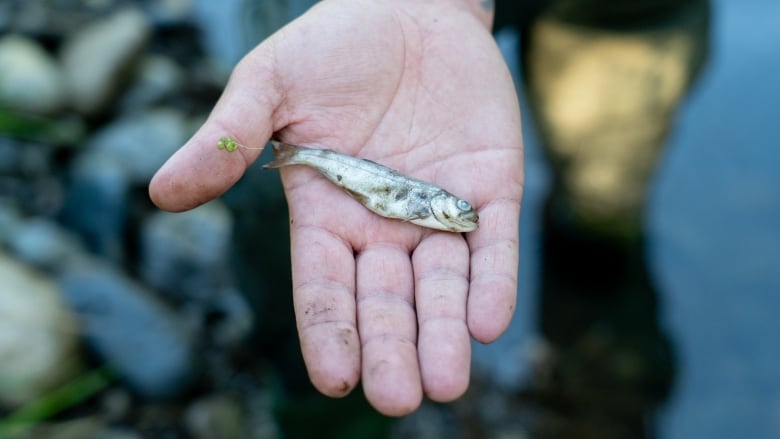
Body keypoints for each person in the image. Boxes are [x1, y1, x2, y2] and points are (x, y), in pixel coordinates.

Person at [149, 0, 522, 417]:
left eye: (461, 209)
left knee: (370, 332)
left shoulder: (437, 209)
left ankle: (338, 409)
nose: (464, 213)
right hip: (295, 37)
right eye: (459, 207)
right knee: (279, 251)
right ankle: (289, 382)